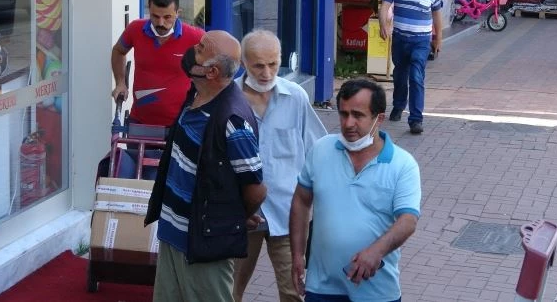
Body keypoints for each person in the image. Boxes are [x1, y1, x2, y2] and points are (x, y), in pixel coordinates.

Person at [145, 30, 267, 302]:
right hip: (173, 236)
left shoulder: (233, 121)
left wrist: (232, 218)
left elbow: (256, 189)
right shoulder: (196, 95)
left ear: (211, 72)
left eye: (199, 50)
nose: (192, 50)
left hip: (204, 245)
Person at [290, 79, 421, 302]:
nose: (348, 123)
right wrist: (297, 254)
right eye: (343, 114)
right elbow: (301, 201)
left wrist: (376, 251)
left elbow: (408, 220)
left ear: (378, 118)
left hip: (377, 291)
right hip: (322, 287)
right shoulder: (321, 149)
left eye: (358, 115)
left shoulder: (402, 164)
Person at [232, 29, 327, 302]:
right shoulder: (229, 100)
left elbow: (317, 149)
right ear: (243, 64)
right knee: (228, 291)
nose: (266, 72)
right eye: (258, 65)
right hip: (241, 215)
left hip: (289, 214)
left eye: (273, 64)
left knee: (294, 291)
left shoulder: (295, 97)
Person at [110, 0, 203, 127]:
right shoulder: (135, 29)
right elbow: (118, 50)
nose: (160, 23)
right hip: (140, 121)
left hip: (180, 124)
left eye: (167, 17)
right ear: (149, 12)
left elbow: (217, 62)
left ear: (178, 13)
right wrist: (120, 82)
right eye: (155, 16)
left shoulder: (195, 36)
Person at [379, 0, 443, 135]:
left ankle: (416, 119)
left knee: (416, 76)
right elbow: (385, 6)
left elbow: (437, 15)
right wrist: (383, 24)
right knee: (400, 74)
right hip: (400, 38)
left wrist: (438, 38)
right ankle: (398, 105)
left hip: (421, 42)